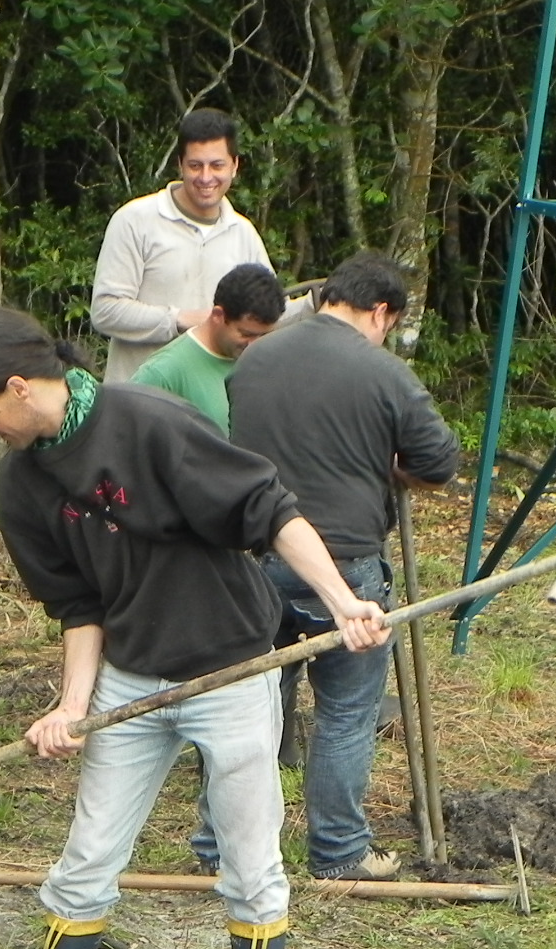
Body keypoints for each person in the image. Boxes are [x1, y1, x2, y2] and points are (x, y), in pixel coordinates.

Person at [0, 307, 388, 949]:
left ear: (18, 388)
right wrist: (70, 704)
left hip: (232, 670)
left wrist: (342, 599)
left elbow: (270, 509)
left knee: (252, 869)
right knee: (84, 866)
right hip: (133, 680)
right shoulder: (23, 483)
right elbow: (78, 605)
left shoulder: (147, 422)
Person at [219, 251, 459, 881]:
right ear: (380, 311)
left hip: (257, 559)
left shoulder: (255, 357)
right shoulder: (383, 372)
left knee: (248, 706)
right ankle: (339, 850)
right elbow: (437, 461)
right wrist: (388, 464)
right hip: (347, 565)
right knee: (347, 712)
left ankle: (219, 846)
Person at [92, 109, 283, 383]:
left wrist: (320, 303)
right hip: (138, 404)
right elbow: (105, 311)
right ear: (180, 164)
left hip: (211, 407)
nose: (206, 178)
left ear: (235, 165)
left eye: (217, 165)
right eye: (195, 165)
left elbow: (269, 316)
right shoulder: (135, 221)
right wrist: (181, 319)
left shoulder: (243, 233)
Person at [131, 264, 286, 433]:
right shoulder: (164, 372)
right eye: (246, 334)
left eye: (263, 336)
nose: (254, 345)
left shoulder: (264, 361)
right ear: (218, 316)